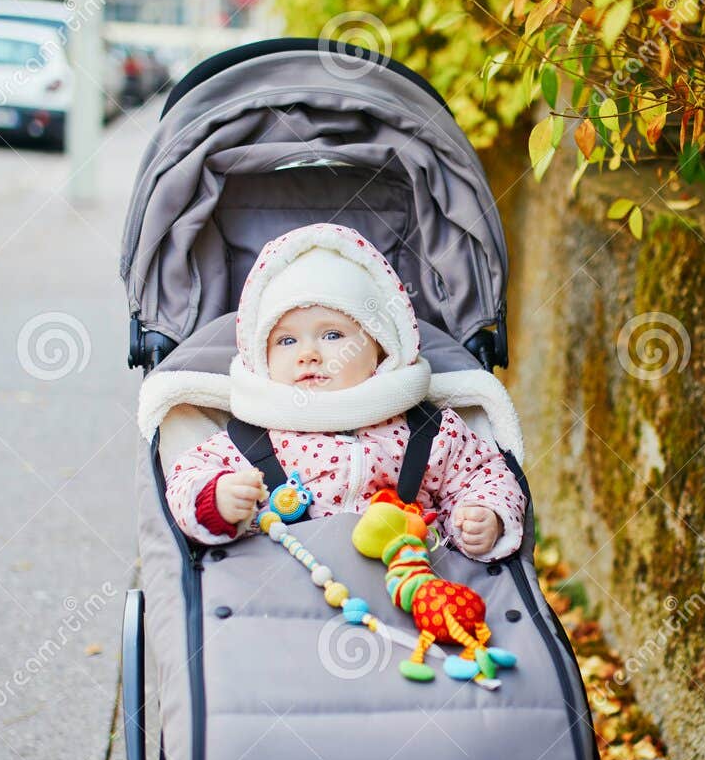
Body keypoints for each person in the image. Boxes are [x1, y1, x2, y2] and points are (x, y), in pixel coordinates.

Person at [161, 223, 526, 559]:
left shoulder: (429, 432)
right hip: (282, 591)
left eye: (332, 335)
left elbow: (485, 474)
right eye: (286, 340)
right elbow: (186, 476)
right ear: (263, 358)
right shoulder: (250, 438)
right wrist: (218, 501)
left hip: (408, 589)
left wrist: (483, 514)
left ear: (380, 348)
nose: (308, 355)